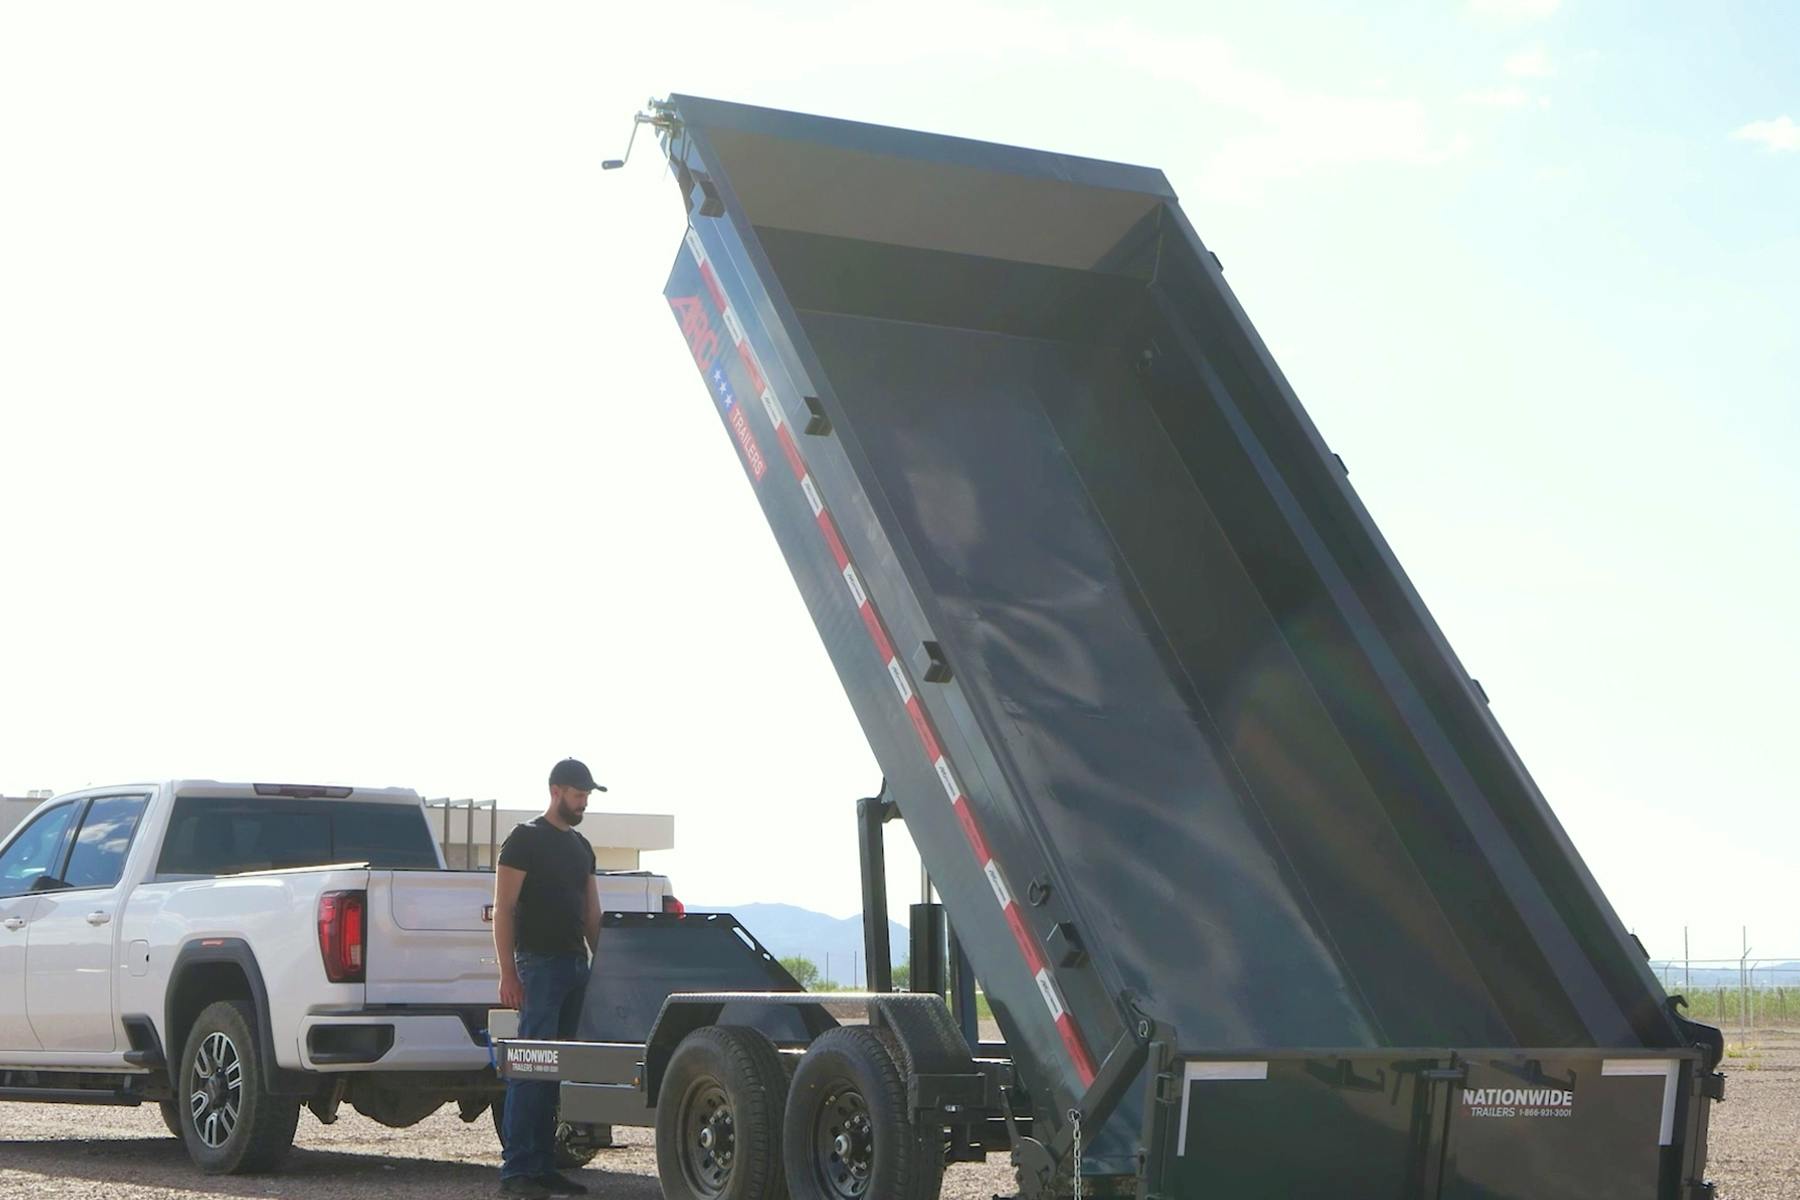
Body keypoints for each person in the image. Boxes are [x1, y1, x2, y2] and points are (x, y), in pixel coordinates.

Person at [494, 758, 604, 1197]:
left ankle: (543, 1167)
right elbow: (504, 908)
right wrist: (508, 972)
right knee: (530, 1069)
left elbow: (591, 912)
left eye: (586, 796)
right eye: (578, 795)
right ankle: (517, 1170)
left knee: (558, 1072)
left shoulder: (582, 846)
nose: (583, 803)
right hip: (538, 966)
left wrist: (604, 967)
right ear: (556, 791)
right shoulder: (525, 839)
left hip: (576, 965)